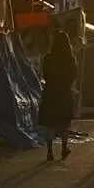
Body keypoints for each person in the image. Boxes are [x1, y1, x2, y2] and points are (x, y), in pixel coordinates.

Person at [37, 31, 78, 161]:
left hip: (50, 92)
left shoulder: (48, 58)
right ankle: (64, 148)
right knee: (64, 123)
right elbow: (73, 75)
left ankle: (49, 151)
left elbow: (44, 75)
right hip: (64, 92)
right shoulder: (70, 59)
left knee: (50, 123)